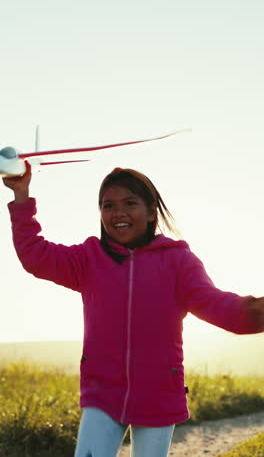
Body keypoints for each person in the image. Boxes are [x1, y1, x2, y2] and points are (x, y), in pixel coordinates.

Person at [3, 162, 264, 457]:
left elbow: (222, 308)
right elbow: (35, 255)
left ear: (152, 211)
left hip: (158, 394)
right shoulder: (89, 259)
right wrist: (21, 195)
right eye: (108, 205)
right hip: (103, 392)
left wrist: (256, 310)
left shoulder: (179, 262)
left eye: (130, 203)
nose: (118, 213)